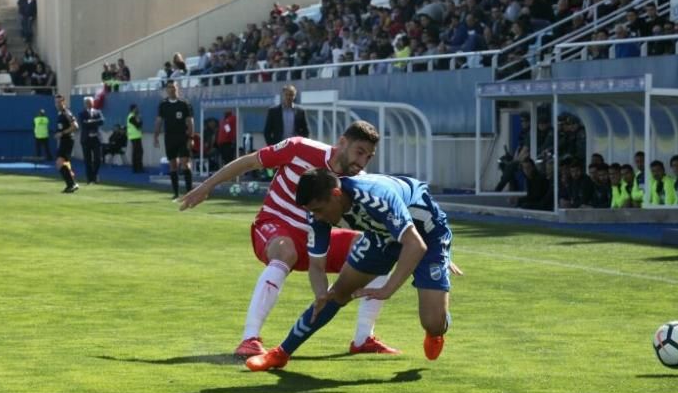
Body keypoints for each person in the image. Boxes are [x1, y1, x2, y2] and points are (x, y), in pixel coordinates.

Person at [179, 121, 398, 357]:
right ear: (342, 142)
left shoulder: (358, 183)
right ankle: (249, 338)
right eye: (359, 152)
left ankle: (363, 337)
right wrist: (207, 186)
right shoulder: (299, 148)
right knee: (286, 250)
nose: (362, 162)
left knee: (379, 249)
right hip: (274, 226)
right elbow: (250, 161)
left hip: (316, 239)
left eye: (368, 156)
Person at [245, 168, 457, 371]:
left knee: (433, 323)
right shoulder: (317, 212)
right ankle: (281, 353)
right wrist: (320, 294)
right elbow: (317, 265)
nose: (316, 217)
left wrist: (387, 290)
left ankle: (436, 330)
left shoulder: (376, 196)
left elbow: (416, 245)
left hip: (428, 236)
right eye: (311, 211)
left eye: (318, 210)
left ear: (336, 194)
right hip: (381, 237)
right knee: (336, 294)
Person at [154, 81, 195, 200]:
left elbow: (190, 121)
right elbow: (159, 120)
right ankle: (176, 193)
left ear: (177, 88)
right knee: (173, 165)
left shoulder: (184, 104)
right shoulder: (163, 104)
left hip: (183, 137)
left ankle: (189, 192)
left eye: (174, 87)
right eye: (169, 87)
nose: (172, 89)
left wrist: (191, 138)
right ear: (166, 90)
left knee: (185, 163)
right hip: (169, 138)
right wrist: (156, 136)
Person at [53, 95, 79, 193]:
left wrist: (62, 133)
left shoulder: (66, 112)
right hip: (64, 141)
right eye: (56, 102)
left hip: (68, 140)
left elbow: (75, 126)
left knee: (59, 163)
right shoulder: (60, 113)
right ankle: (71, 184)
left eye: (59, 102)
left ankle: (72, 184)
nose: (57, 104)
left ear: (63, 102)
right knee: (62, 163)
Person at [78, 96, 105, 185]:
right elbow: (83, 124)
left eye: (91, 102)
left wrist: (90, 122)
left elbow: (102, 121)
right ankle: (90, 179)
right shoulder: (82, 114)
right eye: (87, 103)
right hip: (86, 139)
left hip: (96, 139)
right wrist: (93, 122)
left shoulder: (98, 112)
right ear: (85, 104)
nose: (89, 104)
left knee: (98, 159)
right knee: (88, 160)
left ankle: (94, 175)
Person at [127, 104, 144, 173]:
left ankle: (138, 167)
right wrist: (140, 119)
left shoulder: (134, 116)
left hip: (136, 136)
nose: (137, 109)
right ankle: (136, 168)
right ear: (133, 109)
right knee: (137, 153)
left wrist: (139, 120)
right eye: (136, 108)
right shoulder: (131, 117)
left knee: (139, 152)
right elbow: (138, 125)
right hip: (134, 137)